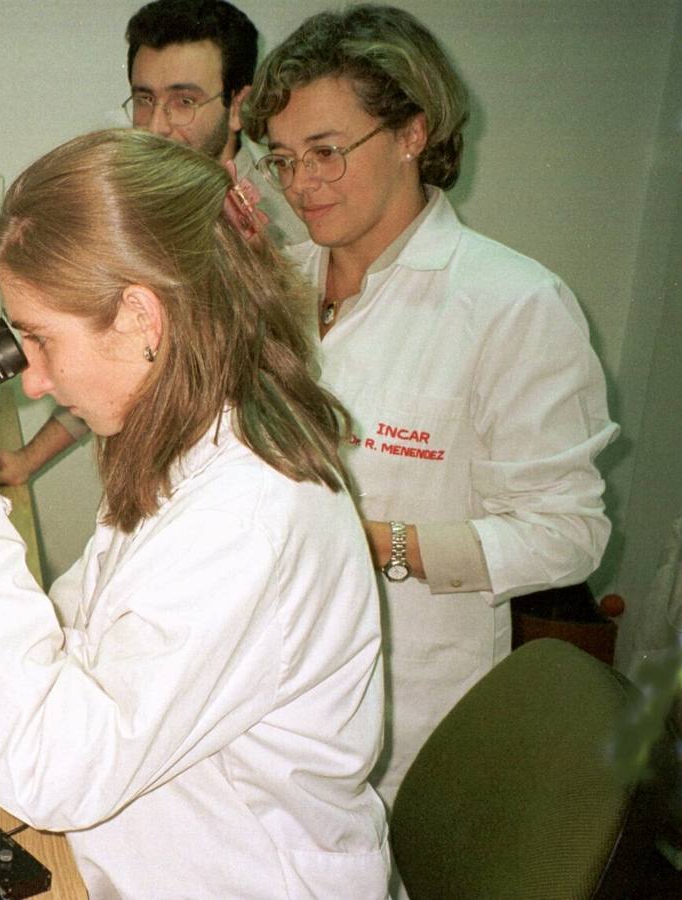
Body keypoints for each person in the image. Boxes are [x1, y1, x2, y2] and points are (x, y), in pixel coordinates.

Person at [0, 128, 391, 897]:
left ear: (141, 320)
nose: (37, 382)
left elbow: (56, 771)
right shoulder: (184, 445)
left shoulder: (248, 516)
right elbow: (48, 671)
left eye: (42, 341)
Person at [241, 4, 618, 814]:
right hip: (254, 691)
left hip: (401, 718)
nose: (302, 185)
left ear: (412, 134)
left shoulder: (512, 304)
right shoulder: (273, 283)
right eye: (281, 159)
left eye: (327, 152)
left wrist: (379, 546)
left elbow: (567, 535)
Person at [0, 0, 305, 488]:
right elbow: (104, 347)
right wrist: (29, 459)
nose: (156, 125)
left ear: (238, 105)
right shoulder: (141, 196)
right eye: (145, 99)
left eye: (184, 101)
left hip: (216, 486)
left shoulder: (268, 227)